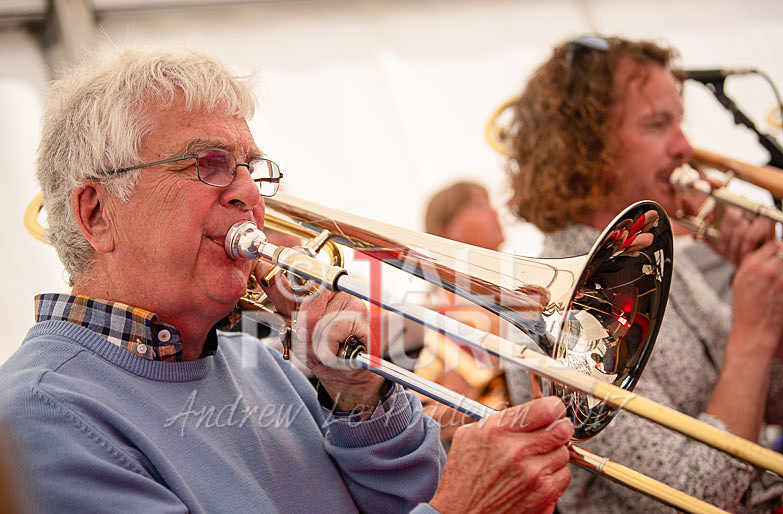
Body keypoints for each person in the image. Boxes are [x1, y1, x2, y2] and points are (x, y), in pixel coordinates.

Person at [0, 46, 574, 513]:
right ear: (97, 212)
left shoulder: (265, 361)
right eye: (207, 163)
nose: (249, 194)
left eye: (251, 167)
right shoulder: (44, 416)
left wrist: (360, 399)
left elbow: (412, 501)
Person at [504, 35, 783, 512]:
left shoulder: (650, 247)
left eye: (679, 121)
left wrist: (773, 304)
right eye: (658, 124)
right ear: (587, 147)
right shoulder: (556, 302)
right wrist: (754, 333)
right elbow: (692, 496)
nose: (685, 147)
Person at [414, 181, 509, 446]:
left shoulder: (509, 292)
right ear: (449, 232)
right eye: (479, 205)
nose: (494, 212)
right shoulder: (445, 313)